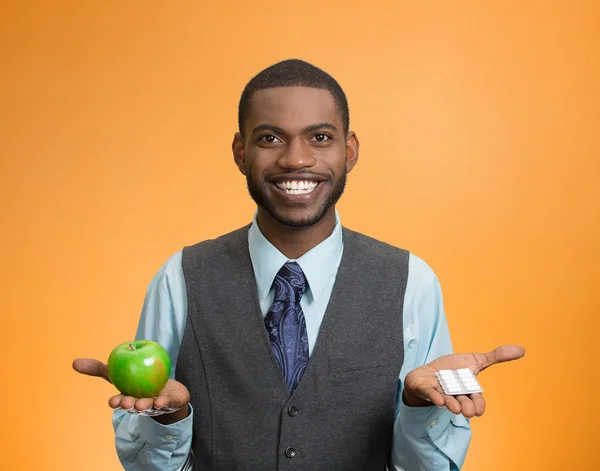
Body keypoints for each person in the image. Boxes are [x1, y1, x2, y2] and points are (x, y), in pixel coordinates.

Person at [73, 59, 525, 471]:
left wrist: (417, 406)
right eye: (270, 138)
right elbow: (147, 466)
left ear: (349, 151)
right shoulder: (180, 278)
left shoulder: (412, 283)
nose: (295, 159)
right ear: (239, 152)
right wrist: (169, 419)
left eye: (320, 137)